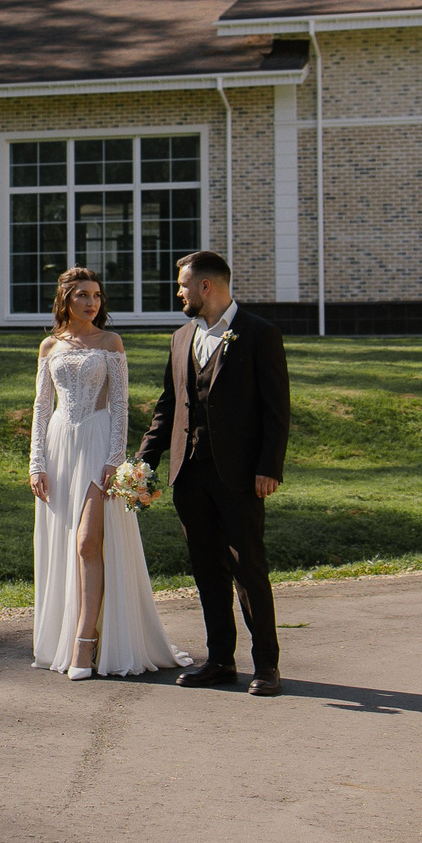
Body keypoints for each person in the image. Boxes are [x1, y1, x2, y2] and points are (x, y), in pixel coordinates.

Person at [137, 249, 291, 695]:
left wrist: (269, 467)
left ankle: (266, 666)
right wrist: (145, 462)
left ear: (207, 286)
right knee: (206, 570)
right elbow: (169, 406)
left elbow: (276, 409)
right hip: (189, 473)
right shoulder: (182, 337)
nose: (179, 292)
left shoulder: (259, 333)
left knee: (248, 569)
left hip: (241, 475)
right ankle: (220, 660)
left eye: (183, 284)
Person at [27, 267, 188, 679]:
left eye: (96, 295)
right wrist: (36, 462)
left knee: (86, 544)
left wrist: (115, 459)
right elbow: (42, 407)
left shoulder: (111, 342)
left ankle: (85, 644)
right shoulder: (50, 346)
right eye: (82, 295)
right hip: (60, 446)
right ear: (65, 299)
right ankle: (66, 637)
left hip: (99, 445)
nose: (91, 302)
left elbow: (120, 403)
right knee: (67, 545)